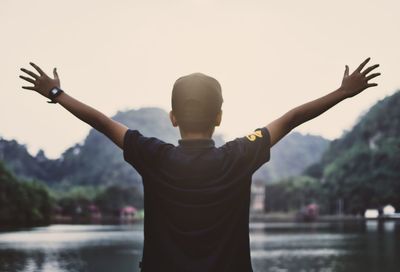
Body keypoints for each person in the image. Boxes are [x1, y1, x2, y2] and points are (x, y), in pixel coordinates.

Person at [19, 58, 380, 272]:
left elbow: (101, 122)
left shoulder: (153, 155)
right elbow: (291, 119)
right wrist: (343, 92)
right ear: (219, 117)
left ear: (173, 117)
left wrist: (56, 93)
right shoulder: (240, 156)